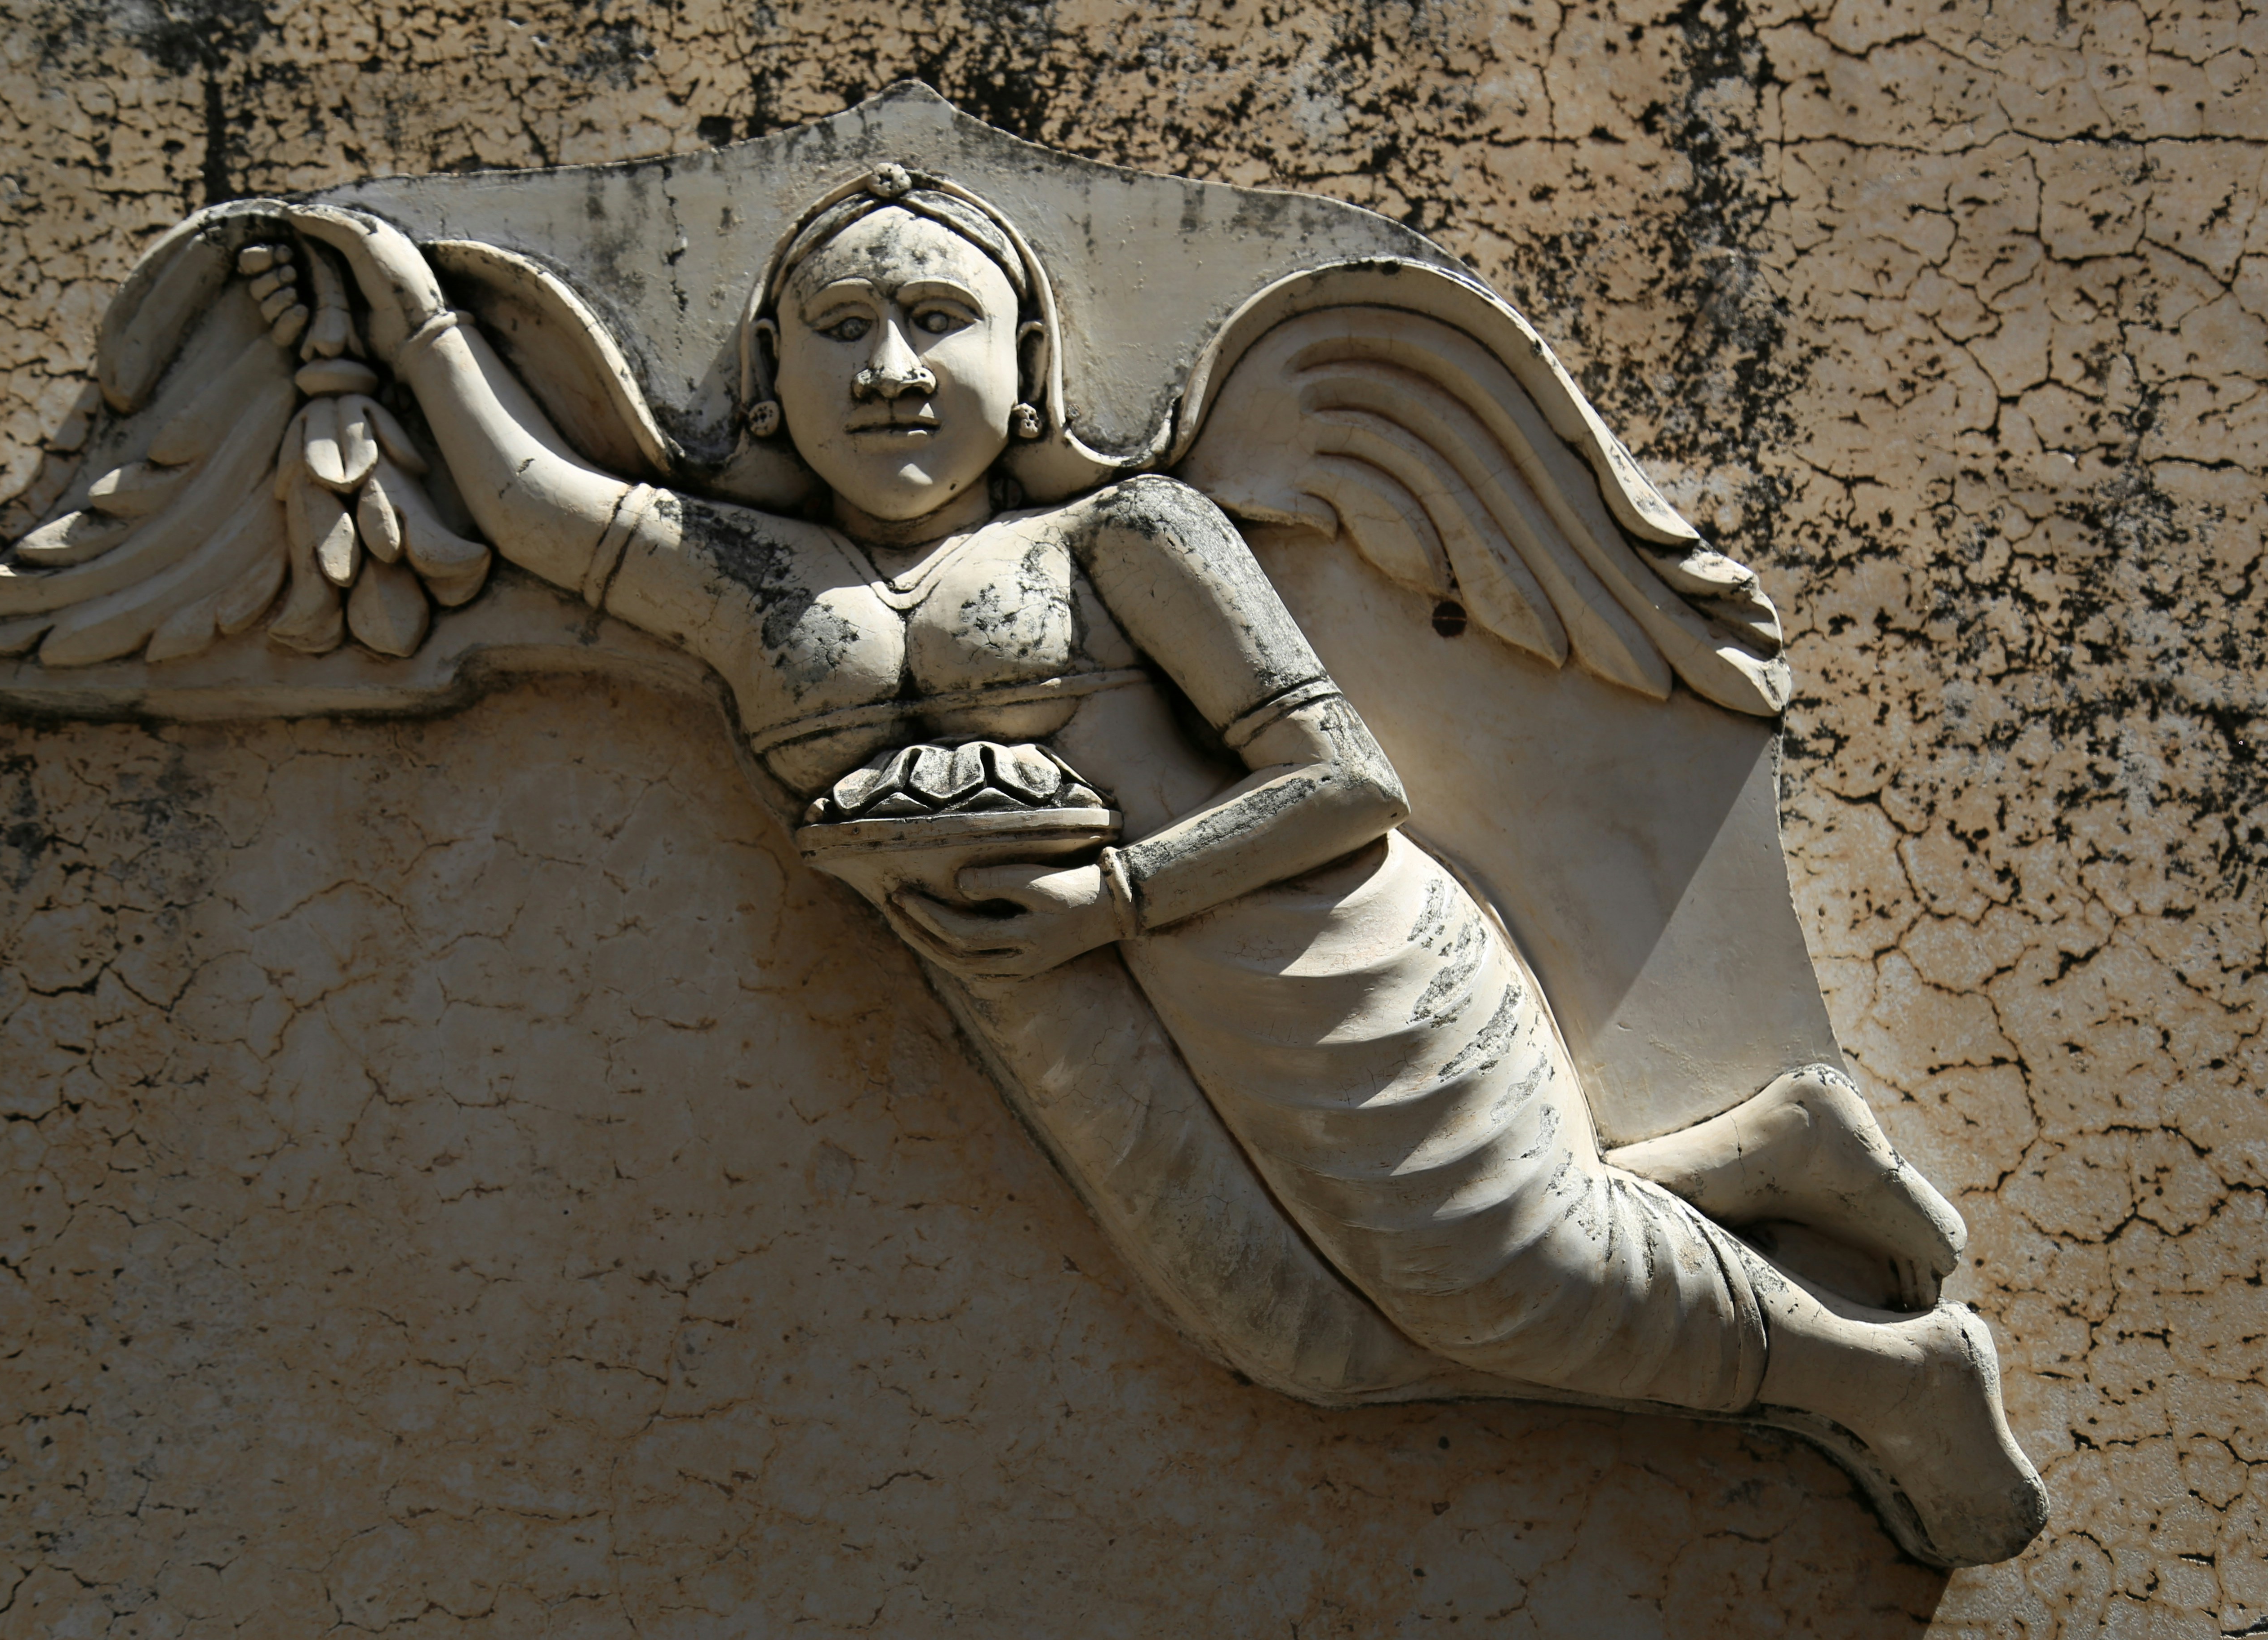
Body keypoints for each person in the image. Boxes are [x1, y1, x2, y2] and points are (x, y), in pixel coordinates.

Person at [288, 165, 2046, 1566]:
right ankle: (1769, 1149)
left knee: (1514, 1282)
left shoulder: (1122, 530)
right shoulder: (747, 587)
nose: (889, 368)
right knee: (1305, 1340)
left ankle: (1881, 1379)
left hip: (1304, 945)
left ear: (1029, 360)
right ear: (772, 373)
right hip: (1069, 1016)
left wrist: (1111, 896)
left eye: (935, 318)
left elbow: (1343, 781)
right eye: (838, 329)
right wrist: (392, 304)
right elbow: (531, 507)